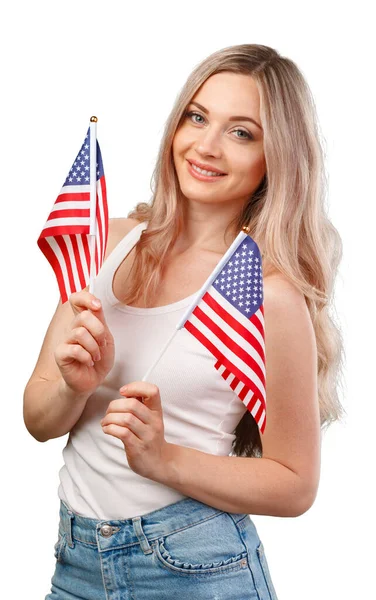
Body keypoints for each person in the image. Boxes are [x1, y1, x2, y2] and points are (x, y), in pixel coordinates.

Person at [23, 43, 345, 600]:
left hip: (193, 568)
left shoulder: (265, 294)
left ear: (278, 159)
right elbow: (38, 419)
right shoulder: (109, 242)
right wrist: (73, 389)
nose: (207, 145)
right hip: (75, 563)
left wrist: (163, 458)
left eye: (241, 132)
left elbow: (295, 485)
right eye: (198, 117)